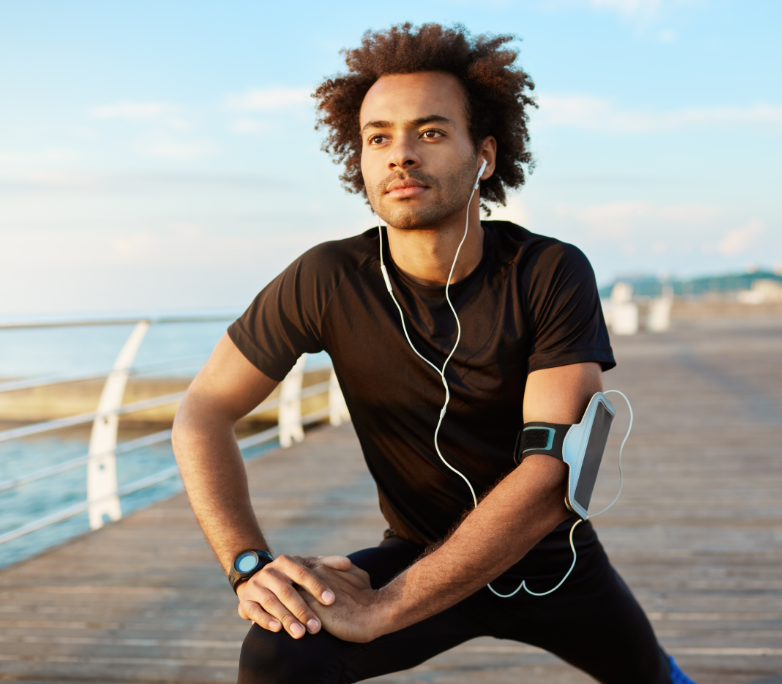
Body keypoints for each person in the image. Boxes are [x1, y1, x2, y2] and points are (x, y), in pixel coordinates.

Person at [172, 22, 695, 684]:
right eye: (378, 137)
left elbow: (551, 477)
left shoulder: (546, 270)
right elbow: (205, 409)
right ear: (356, 159)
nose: (399, 155)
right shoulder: (326, 279)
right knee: (281, 650)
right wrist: (247, 562)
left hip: (552, 563)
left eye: (430, 131)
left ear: (484, 155)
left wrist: (382, 607)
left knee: (648, 676)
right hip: (415, 553)